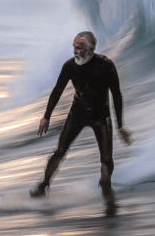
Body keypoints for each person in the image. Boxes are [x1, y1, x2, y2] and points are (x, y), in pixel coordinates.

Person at [30, 31, 132, 198]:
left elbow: (117, 95)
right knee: (60, 151)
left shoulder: (106, 65)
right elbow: (57, 91)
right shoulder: (70, 66)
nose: (75, 51)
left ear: (91, 49)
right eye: (74, 47)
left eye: (79, 48)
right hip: (77, 113)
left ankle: (105, 185)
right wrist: (46, 116)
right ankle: (44, 185)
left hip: (101, 117)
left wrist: (121, 126)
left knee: (106, 159)